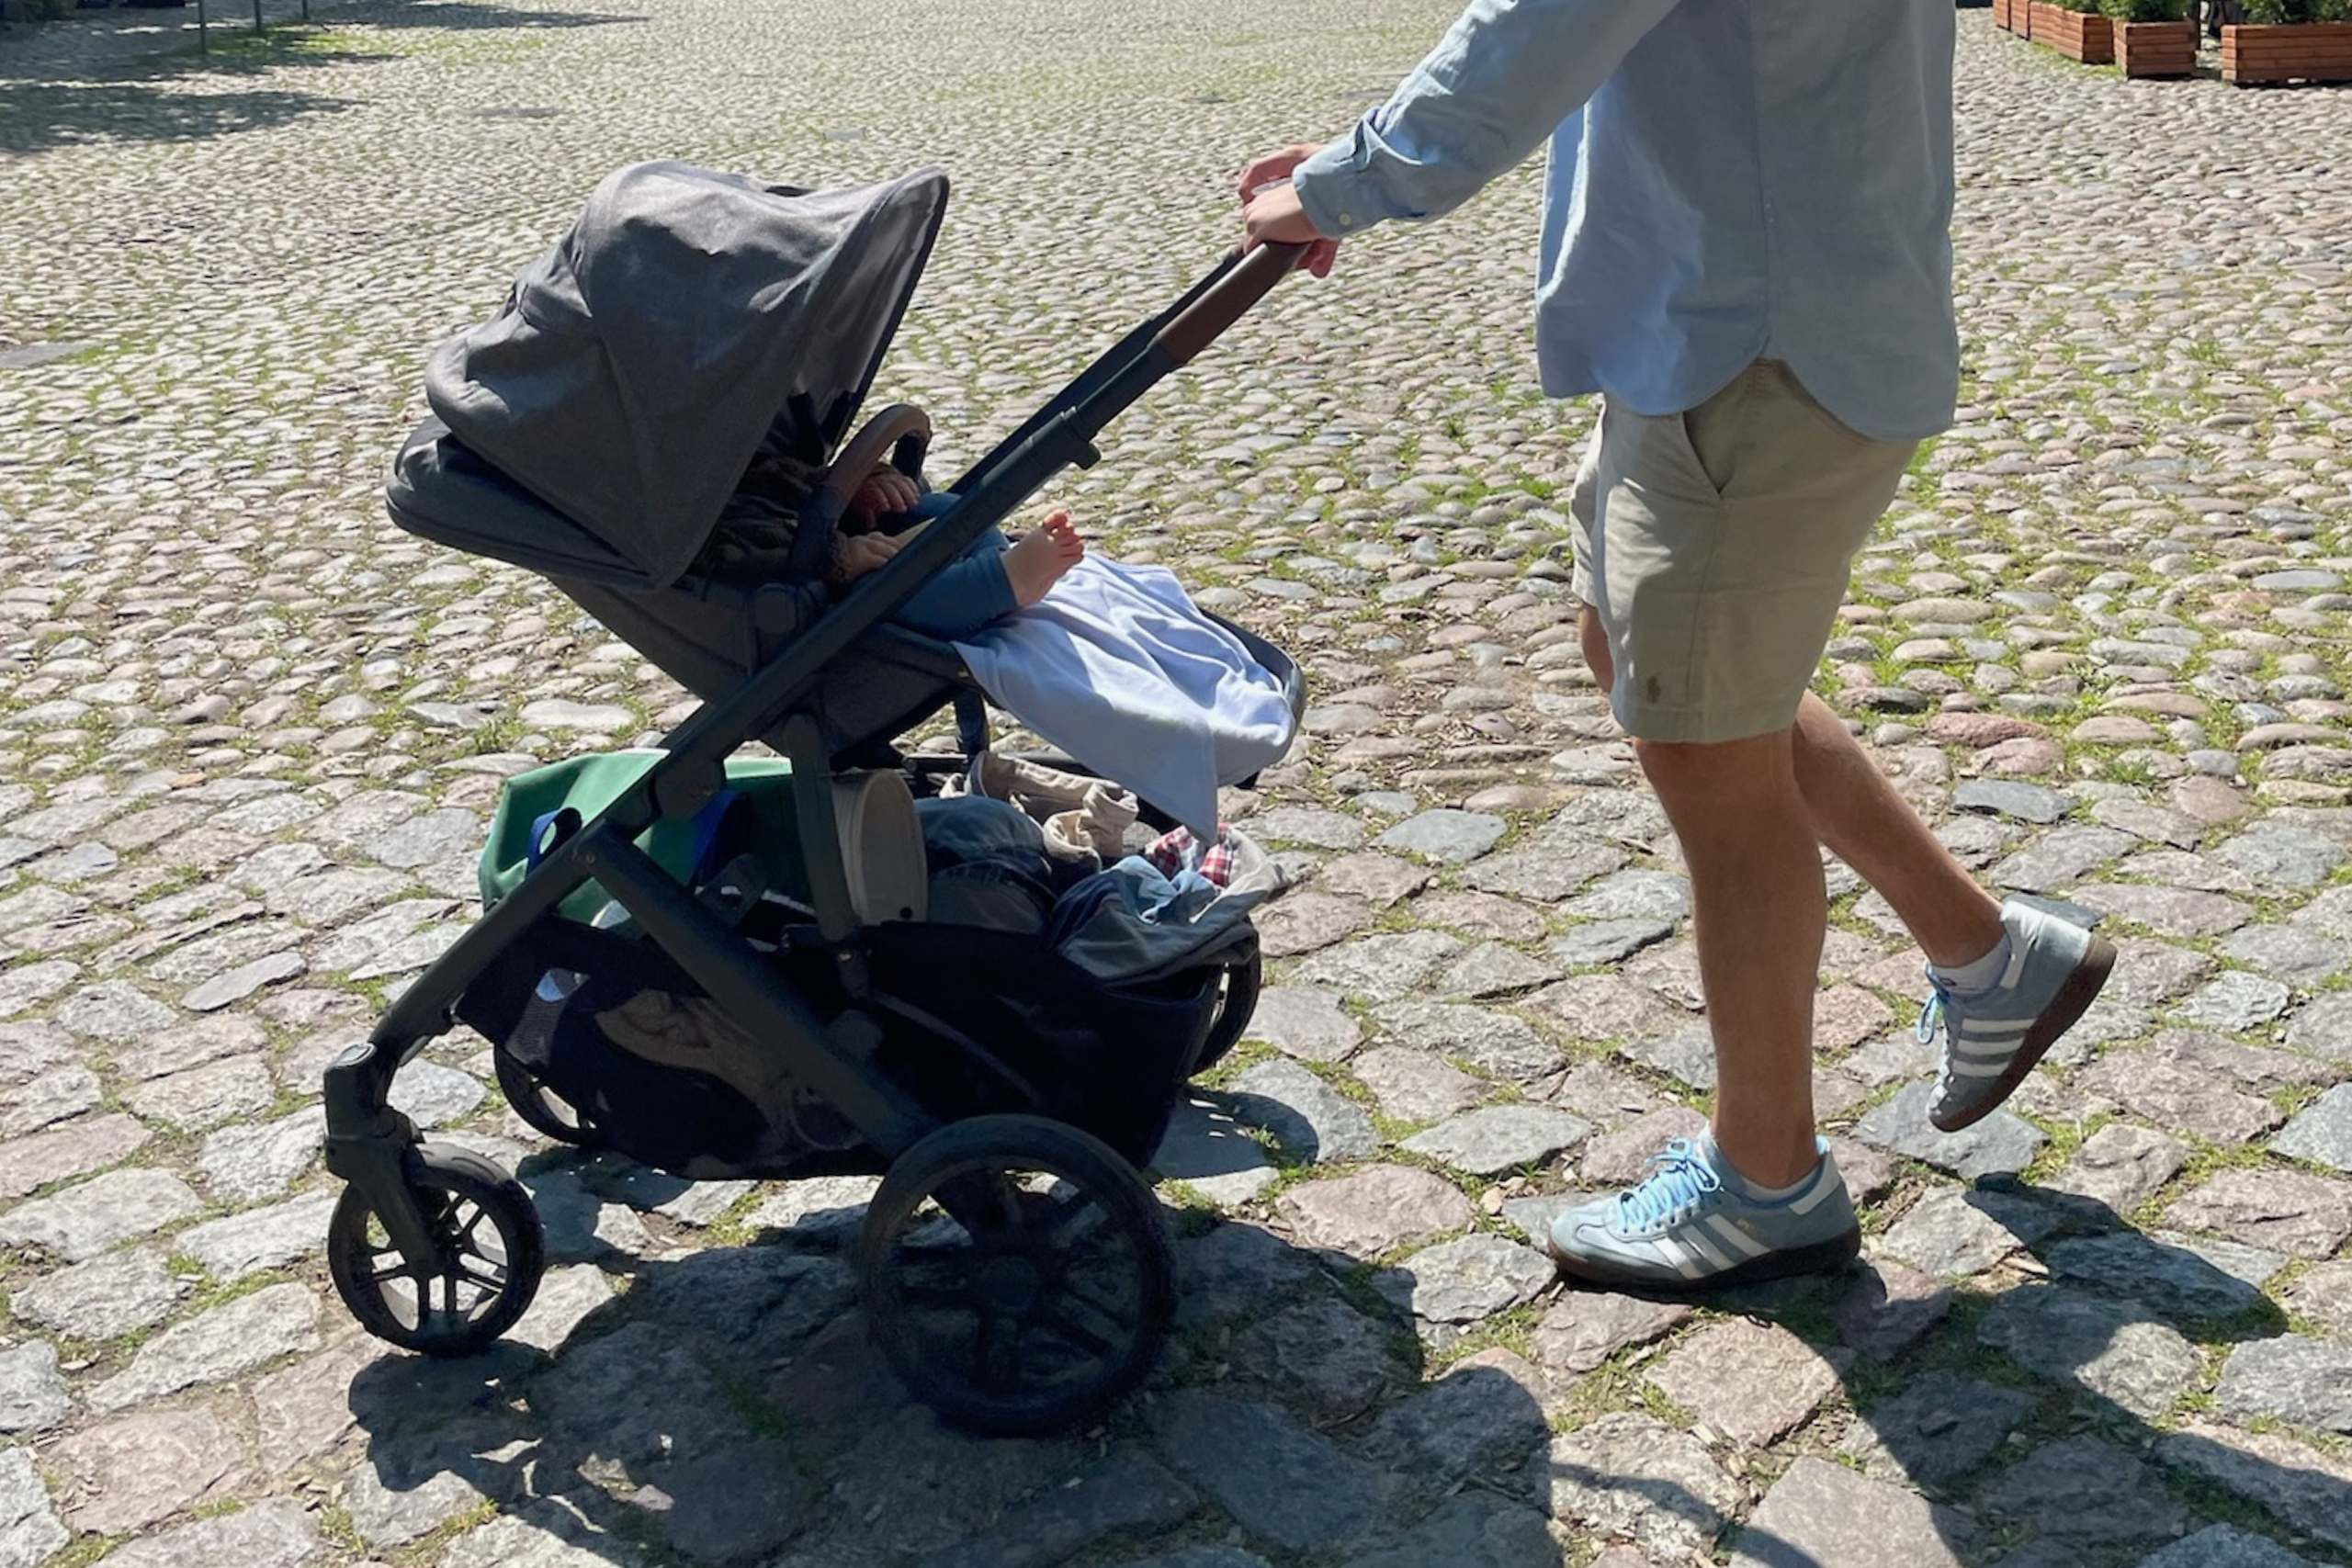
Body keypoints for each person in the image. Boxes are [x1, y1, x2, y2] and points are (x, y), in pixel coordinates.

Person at [1238, 0, 2115, 1290]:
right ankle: (1989, 953)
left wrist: (1338, 185)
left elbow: (1539, 30)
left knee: (1710, 751)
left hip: (1750, 345)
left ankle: (1768, 1181)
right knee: (1655, 673)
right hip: (1729, 317)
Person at [694, 429, 1084, 639]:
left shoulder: (753, 470)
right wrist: (839, 560)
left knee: (944, 509)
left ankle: (1002, 568)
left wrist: (863, 483)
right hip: (817, 596)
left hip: (840, 530)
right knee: (892, 591)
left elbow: (803, 477)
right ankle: (1004, 581)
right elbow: (742, 571)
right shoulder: (696, 538)